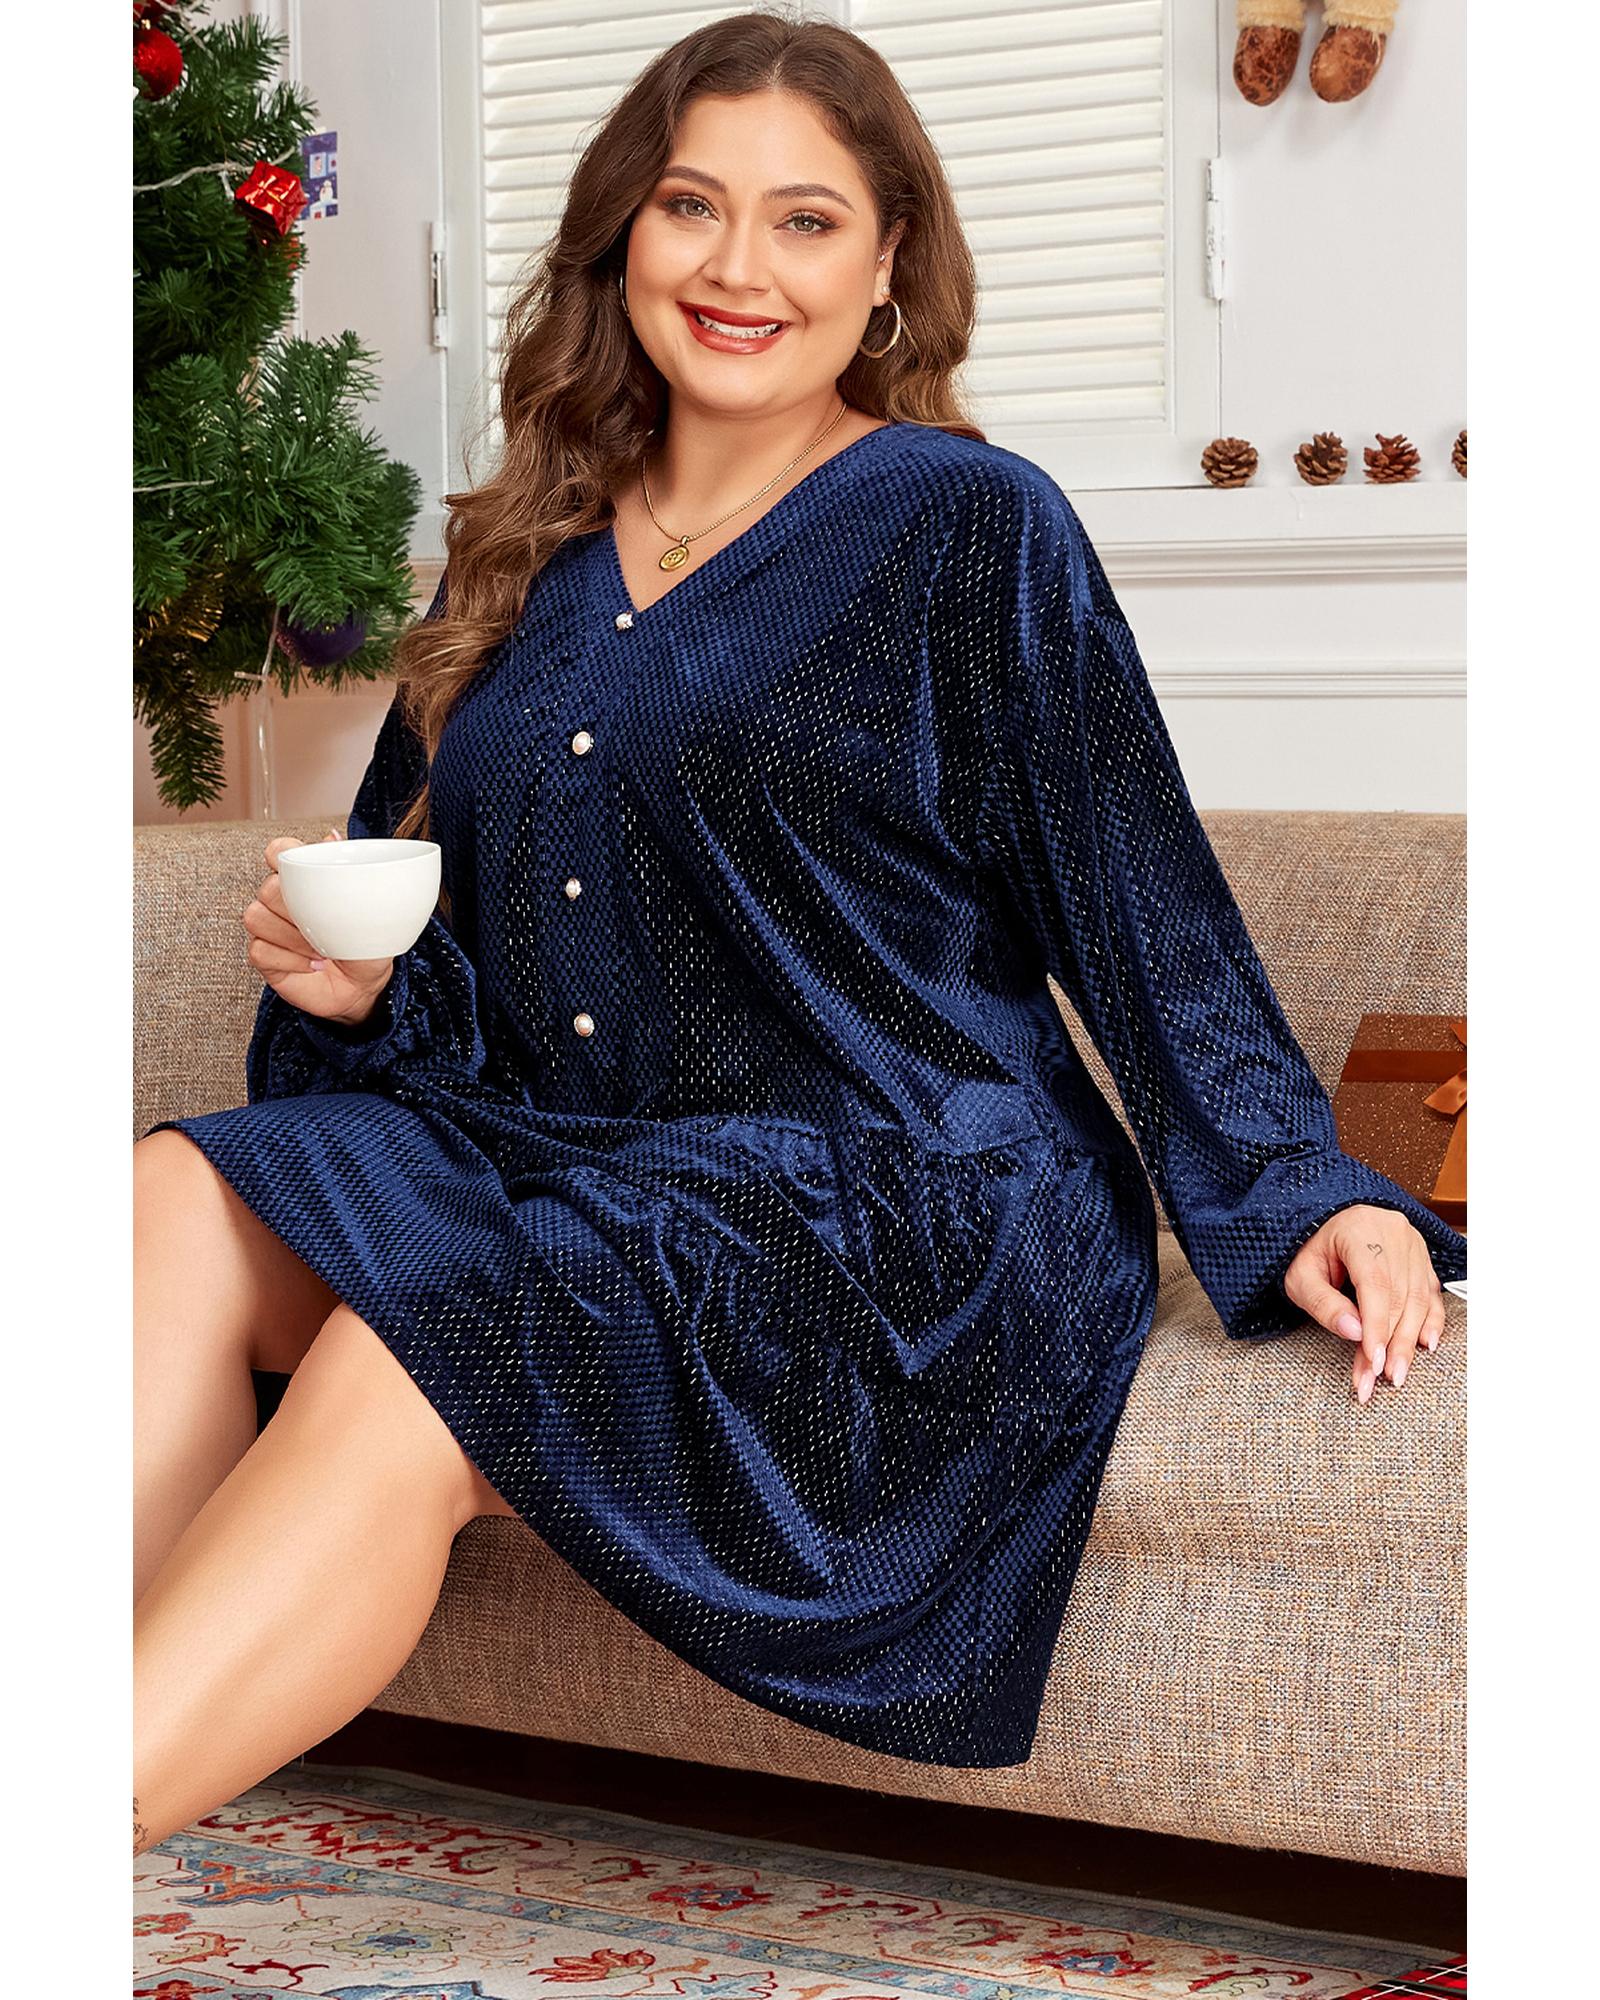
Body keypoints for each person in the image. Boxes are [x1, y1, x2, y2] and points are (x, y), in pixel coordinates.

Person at [132, 11, 1466, 1856]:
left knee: (418, 1343)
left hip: (890, 1191)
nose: (738, 268)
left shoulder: (968, 525)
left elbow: (1140, 896)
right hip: (566, 1152)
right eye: (692, 206)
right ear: (625, 236)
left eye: (807, 220)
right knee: (173, 1200)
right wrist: (359, 993)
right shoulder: (517, 550)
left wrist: (1305, 1187)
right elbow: (425, 928)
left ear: (889, 260)